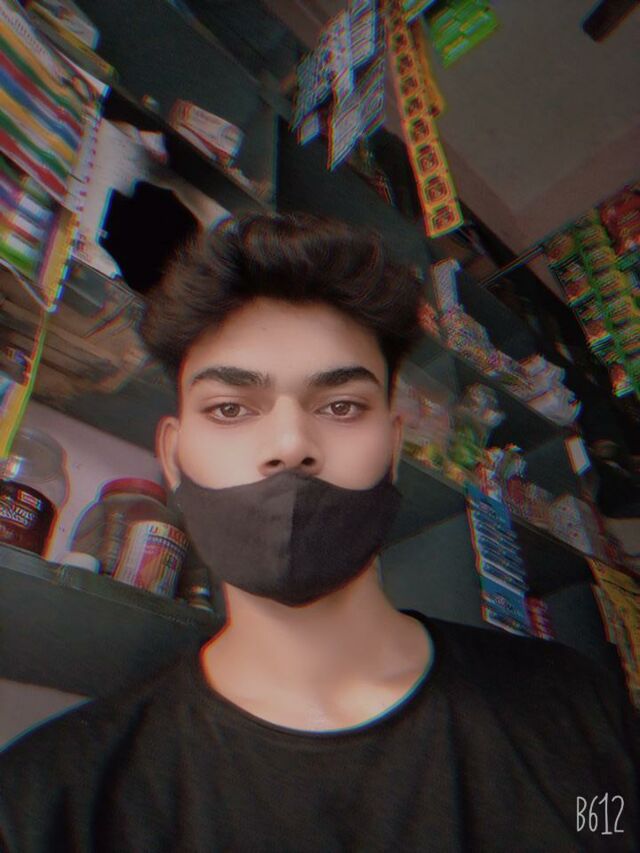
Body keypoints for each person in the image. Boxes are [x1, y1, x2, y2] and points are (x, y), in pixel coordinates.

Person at [0, 213, 638, 852]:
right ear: (173, 456)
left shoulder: (574, 712)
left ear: (393, 449)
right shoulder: (44, 809)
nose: (290, 443)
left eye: (341, 406)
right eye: (229, 408)